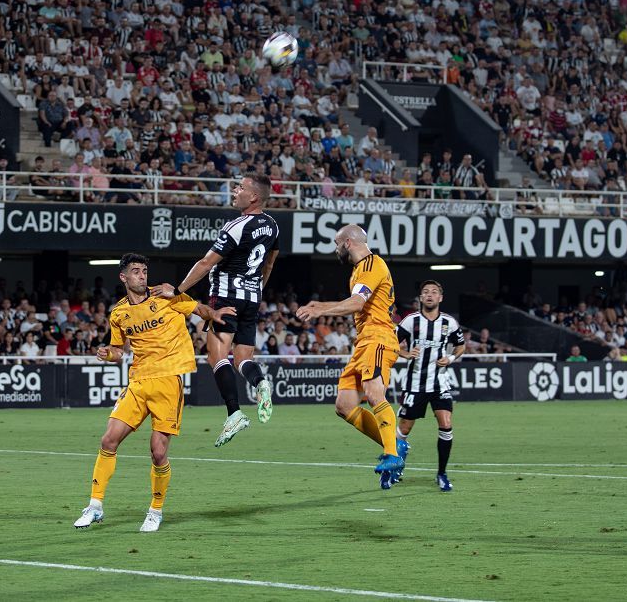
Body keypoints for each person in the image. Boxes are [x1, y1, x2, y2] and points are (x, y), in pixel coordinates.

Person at [73, 254, 234, 532]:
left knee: (158, 453)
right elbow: (118, 350)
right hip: (137, 383)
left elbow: (199, 310)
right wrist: (107, 354)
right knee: (108, 439)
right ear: (123, 277)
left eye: (144, 271)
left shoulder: (168, 296)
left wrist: (215, 314)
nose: (142, 276)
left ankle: (155, 510)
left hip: (168, 382)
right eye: (136, 271)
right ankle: (95, 506)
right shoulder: (119, 313)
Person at [153, 173, 279, 447]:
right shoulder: (272, 226)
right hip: (251, 298)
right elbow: (268, 265)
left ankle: (234, 413)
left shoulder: (237, 226)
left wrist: (176, 290)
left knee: (216, 356)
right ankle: (259, 383)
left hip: (225, 296)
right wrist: (255, 291)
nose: (235, 190)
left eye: (241, 188)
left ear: (254, 196)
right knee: (243, 358)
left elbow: (205, 263)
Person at [295, 224, 404, 488]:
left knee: (374, 393)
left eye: (336, 244)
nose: (335, 250)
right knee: (344, 406)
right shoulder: (359, 271)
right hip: (364, 341)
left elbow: (357, 303)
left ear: (347, 243)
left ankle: (392, 454)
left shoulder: (372, 265)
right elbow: (354, 302)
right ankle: (395, 444)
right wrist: (320, 305)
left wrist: (321, 311)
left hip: (378, 338)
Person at [394, 280, 466, 492]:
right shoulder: (410, 321)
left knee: (446, 423)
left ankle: (442, 474)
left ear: (440, 298)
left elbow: (461, 345)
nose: (429, 295)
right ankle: (395, 468)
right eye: (425, 292)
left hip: (440, 384)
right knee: (404, 428)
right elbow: (390, 341)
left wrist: (451, 358)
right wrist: (405, 354)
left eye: (434, 292)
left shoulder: (449, 323)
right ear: (421, 298)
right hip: (415, 384)